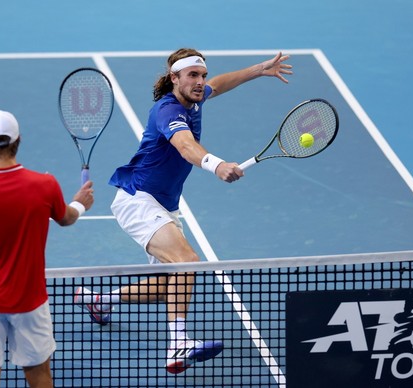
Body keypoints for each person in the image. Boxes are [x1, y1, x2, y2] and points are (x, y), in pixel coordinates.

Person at [74, 48, 292, 374]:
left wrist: (259, 69)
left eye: (202, 75)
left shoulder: (197, 97)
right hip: (138, 198)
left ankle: (99, 301)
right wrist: (216, 165)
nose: (201, 82)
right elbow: (186, 146)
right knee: (187, 261)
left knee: (169, 285)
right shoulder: (167, 111)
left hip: (163, 205)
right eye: (193, 75)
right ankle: (178, 343)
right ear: (174, 78)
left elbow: (220, 83)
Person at [0, 110, 94, 387]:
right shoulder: (45, 185)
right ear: (19, 140)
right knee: (40, 376)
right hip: (29, 301)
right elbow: (66, 218)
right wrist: (80, 202)